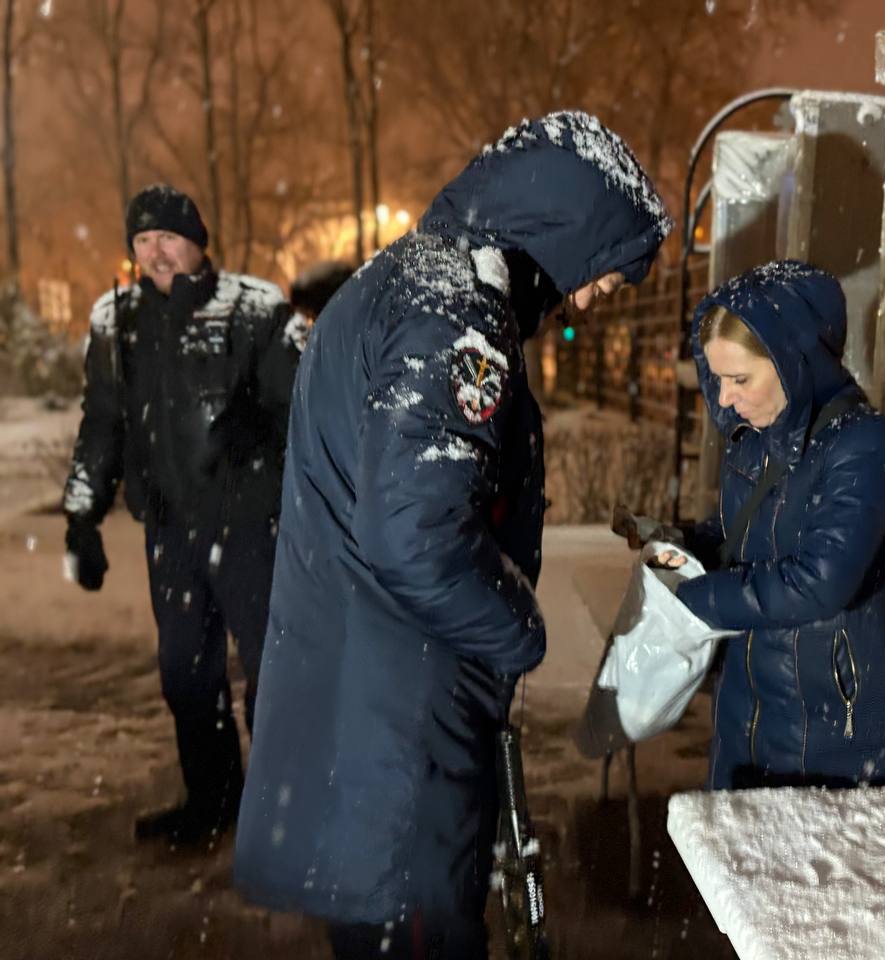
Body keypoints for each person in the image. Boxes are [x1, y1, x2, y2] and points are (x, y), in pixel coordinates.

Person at [233, 111, 671, 959]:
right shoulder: (454, 314)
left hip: (367, 716)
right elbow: (413, 534)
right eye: (604, 276)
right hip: (401, 739)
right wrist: (518, 632)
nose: (589, 297)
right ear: (567, 228)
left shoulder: (407, 283)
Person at [62, 184, 301, 845]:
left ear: (199, 239)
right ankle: (215, 799)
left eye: (168, 237)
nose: (156, 253)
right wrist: (82, 514)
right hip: (171, 530)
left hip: (253, 525)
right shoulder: (116, 323)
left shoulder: (255, 309)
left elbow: (310, 408)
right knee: (186, 674)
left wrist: (264, 430)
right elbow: (101, 422)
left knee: (272, 672)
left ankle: (288, 806)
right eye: (142, 242)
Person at [669, 260, 885, 791]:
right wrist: (687, 545)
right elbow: (751, 533)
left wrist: (700, 599)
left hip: (832, 724)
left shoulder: (864, 445)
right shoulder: (757, 436)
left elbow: (819, 582)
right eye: (717, 379)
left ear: (792, 361)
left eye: (740, 378)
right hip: (748, 708)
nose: (726, 397)